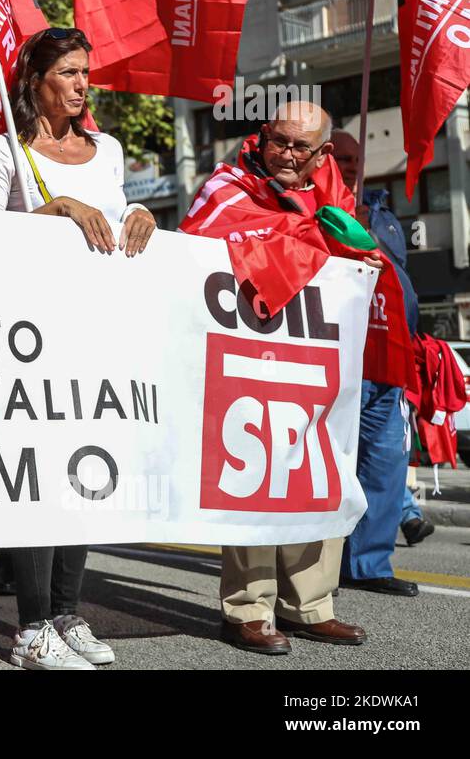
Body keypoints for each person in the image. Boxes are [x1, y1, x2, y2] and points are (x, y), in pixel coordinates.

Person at [0, 27, 155, 670]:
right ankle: (30, 626)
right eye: (69, 73)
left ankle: (67, 611)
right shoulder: (5, 152)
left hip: (98, 331)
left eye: (86, 72)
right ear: (36, 82)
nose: (83, 85)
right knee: (36, 477)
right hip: (29, 337)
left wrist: (143, 217)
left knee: (84, 473)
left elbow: (121, 213)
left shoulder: (108, 148)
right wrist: (57, 211)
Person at [179, 101, 371, 654]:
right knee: (253, 474)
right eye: (277, 141)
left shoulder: (332, 196)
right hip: (247, 357)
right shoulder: (228, 183)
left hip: (314, 360)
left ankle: (311, 606)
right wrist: (304, 235)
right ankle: (248, 609)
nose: (286, 154)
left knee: (317, 474)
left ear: (322, 154)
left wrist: (361, 260)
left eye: (300, 147)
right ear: (263, 137)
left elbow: (349, 253)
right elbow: (201, 242)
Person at [330, 131, 420, 596]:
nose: (350, 165)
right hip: (342, 357)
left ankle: (369, 565)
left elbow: (397, 276)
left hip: (390, 356)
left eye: (356, 159)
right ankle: (315, 569)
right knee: (331, 466)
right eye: (341, 157)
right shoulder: (315, 207)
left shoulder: (381, 212)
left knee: (386, 464)